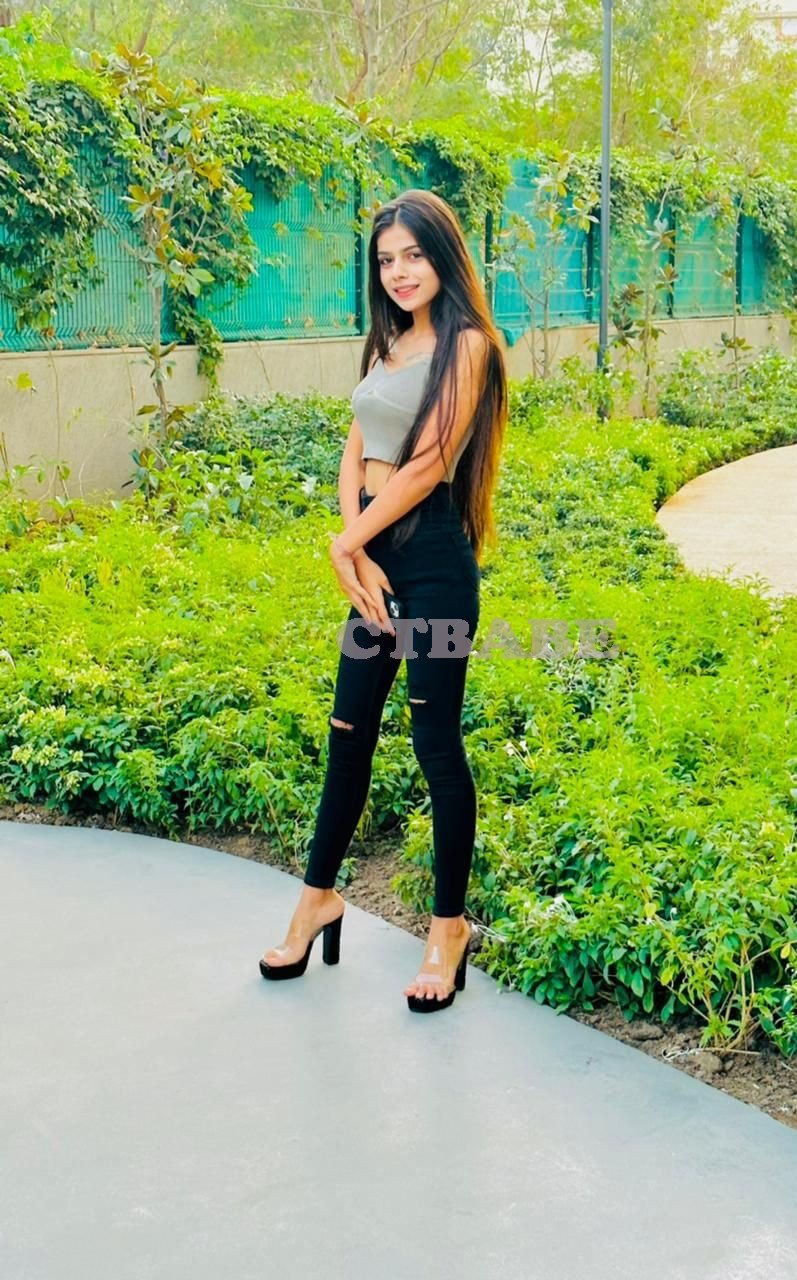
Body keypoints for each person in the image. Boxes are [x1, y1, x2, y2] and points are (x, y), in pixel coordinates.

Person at [259, 188, 508, 1012]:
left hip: (432, 563)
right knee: (347, 734)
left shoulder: (468, 346)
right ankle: (316, 901)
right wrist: (355, 539)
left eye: (414, 255)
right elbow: (356, 449)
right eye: (386, 260)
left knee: (434, 744)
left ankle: (448, 930)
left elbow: (430, 461)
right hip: (376, 554)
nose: (399, 272)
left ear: (444, 256)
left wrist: (347, 544)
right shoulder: (390, 341)